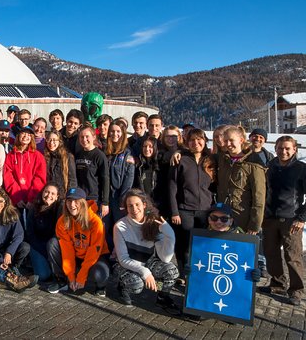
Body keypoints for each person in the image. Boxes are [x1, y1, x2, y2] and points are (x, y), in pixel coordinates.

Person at [261, 136, 306, 306]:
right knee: (270, 254)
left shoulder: (302, 169)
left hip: (291, 220)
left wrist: (302, 218)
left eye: (287, 148)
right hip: (270, 219)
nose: (283, 151)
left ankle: (296, 290)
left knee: (292, 256)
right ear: (275, 149)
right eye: (279, 148)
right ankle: (277, 284)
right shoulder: (270, 167)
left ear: (294, 149)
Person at [113, 189, 179, 311]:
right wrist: (146, 273)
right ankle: (122, 287)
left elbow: (165, 258)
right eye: (130, 206)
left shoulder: (153, 222)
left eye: (137, 204)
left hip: (146, 261)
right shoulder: (120, 226)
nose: (134, 209)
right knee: (137, 285)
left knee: (172, 271)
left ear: (144, 205)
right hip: (125, 264)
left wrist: (170, 235)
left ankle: (162, 298)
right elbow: (122, 259)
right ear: (126, 208)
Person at [167, 128, 215, 280]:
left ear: (204, 141)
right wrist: (174, 211)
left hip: (205, 210)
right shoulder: (180, 159)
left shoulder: (211, 160)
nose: (196, 143)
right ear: (187, 142)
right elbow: (172, 187)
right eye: (192, 140)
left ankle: (198, 275)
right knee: (184, 245)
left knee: (201, 245)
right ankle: (184, 274)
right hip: (184, 209)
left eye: (199, 139)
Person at [47, 188, 110, 295]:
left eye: (76, 201)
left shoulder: (95, 222)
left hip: (95, 256)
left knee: (100, 274)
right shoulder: (62, 221)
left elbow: (94, 251)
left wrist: (81, 277)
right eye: (69, 201)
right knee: (52, 244)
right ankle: (62, 280)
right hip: (76, 255)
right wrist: (71, 276)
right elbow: (67, 251)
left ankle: (100, 287)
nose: (72, 205)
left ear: (83, 203)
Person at [216, 126, 266, 235]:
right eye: (225, 141)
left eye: (231, 140)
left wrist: (255, 224)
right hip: (222, 216)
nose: (228, 144)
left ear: (241, 140)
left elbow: (259, 197)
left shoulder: (253, 165)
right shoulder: (223, 160)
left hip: (242, 218)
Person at [0, 188, 30, 272]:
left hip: (10, 248)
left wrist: (9, 252)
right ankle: (3, 267)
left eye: (1, 201)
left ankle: (15, 266)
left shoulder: (12, 214)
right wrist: (0, 261)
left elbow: (19, 235)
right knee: (2, 271)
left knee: (25, 247)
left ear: (5, 202)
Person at [104, 121, 135, 246]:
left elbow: (129, 178)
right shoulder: (106, 152)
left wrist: (123, 199)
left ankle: (120, 256)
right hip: (106, 197)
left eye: (118, 131)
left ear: (123, 133)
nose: (114, 134)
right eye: (112, 131)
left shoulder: (127, 153)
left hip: (119, 198)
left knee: (119, 228)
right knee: (104, 228)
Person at [24, 183, 62, 282]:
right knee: (43, 276)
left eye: (53, 193)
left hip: (52, 247)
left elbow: (59, 233)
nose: (49, 195)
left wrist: (50, 251)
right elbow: (30, 233)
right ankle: (33, 262)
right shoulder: (34, 208)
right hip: (37, 246)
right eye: (46, 192)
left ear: (57, 197)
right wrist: (42, 249)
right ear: (42, 193)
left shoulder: (60, 210)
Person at [3, 125, 47, 209]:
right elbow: (8, 177)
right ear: (18, 136)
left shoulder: (38, 156)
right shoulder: (10, 156)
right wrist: (17, 197)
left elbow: (40, 178)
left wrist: (32, 198)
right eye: (23, 133)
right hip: (15, 199)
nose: (26, 136)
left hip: (33, 200)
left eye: (29, 135)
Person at [74, 126, 110, 214]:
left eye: (87, 136)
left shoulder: (99, 156)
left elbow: (105, 178)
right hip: (80, 197)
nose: (84, 139)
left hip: (94, 198)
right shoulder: (78, 154)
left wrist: (105, 202)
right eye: (81, 137)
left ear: (93, 137)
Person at [44, 130, 77, 197]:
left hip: (63, 194)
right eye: (49, 140)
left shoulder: (67, 157)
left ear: (59, 142)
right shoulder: (45, 157)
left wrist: (70, 196)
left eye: (54, 140)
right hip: (48, 195)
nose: (51, 143)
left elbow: (72, 180)